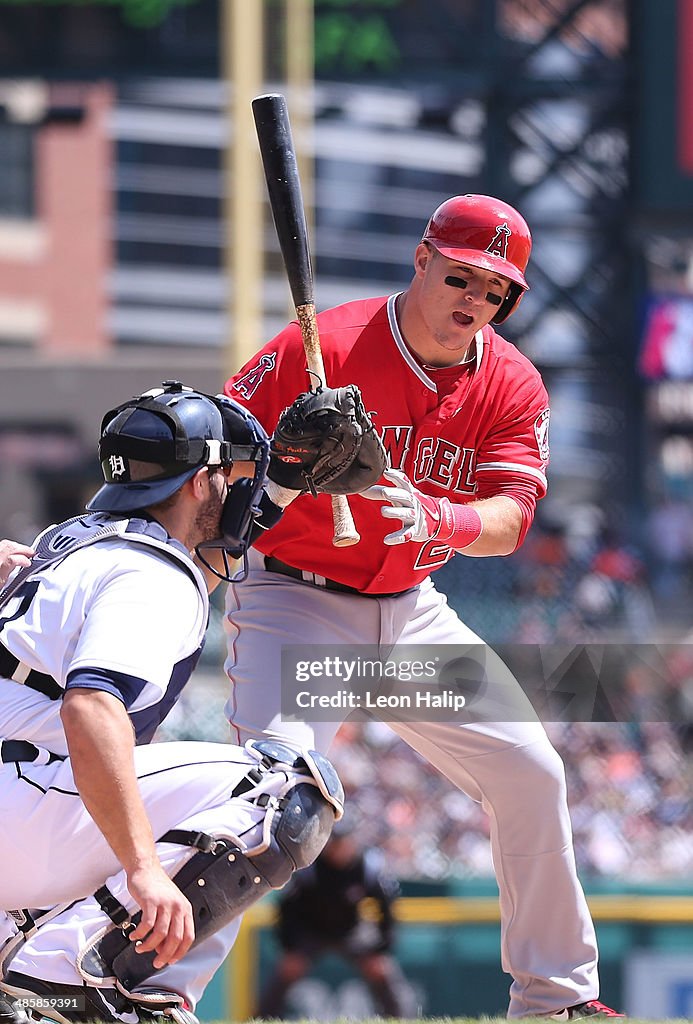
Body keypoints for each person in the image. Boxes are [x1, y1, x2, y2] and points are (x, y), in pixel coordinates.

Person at [222, 195, 623, 1020]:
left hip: (410, 619)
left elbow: (512, 518)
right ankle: (145, 990)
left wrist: (447, 519)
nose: (474, 299)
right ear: (421, 260)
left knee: (529, 773)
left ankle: (556, 1001)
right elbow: (216, 462)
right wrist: (280, 472)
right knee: (272, 804)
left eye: (495, 290)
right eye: (459, 276)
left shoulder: (509, 379)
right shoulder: (319, 349)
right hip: (297, 607)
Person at [0, 381, 345, 1024]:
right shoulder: (150, 569)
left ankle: (25, 957)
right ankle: (53, 973)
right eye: (231, 474)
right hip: (20, 804)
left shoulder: (68, 545)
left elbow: (199, 562)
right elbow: (91, 710)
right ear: (196, 482)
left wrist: (285, 486)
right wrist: (143, 872)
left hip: (18, 802)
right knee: (284, 785)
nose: (239, 488)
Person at [257, 812, 408, 1019]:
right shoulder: (310, 864)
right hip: (311, 929)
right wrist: (290, 947)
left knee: (382, 969)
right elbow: (286, 910)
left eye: (342, 841)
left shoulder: (368, 865)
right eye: (333, 841)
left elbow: (387, 908)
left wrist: (381, 949)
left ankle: (400, 1019)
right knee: (288, 968)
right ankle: (262, 1019)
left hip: (351, 928)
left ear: (352, 841)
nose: (337, 847)